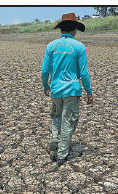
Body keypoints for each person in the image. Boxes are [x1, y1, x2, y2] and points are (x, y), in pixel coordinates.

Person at [42, 13, 93, 166]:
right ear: (75, 30)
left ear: (61, 29)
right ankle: (62, 153)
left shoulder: (51, 46)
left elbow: (45, 70)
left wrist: (46, 85)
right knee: (69, 121)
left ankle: (54, 140)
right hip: (72, 90)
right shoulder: (79, 47)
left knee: (56, 116)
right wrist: (89, 91)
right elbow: (83, 72)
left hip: (56, 90)